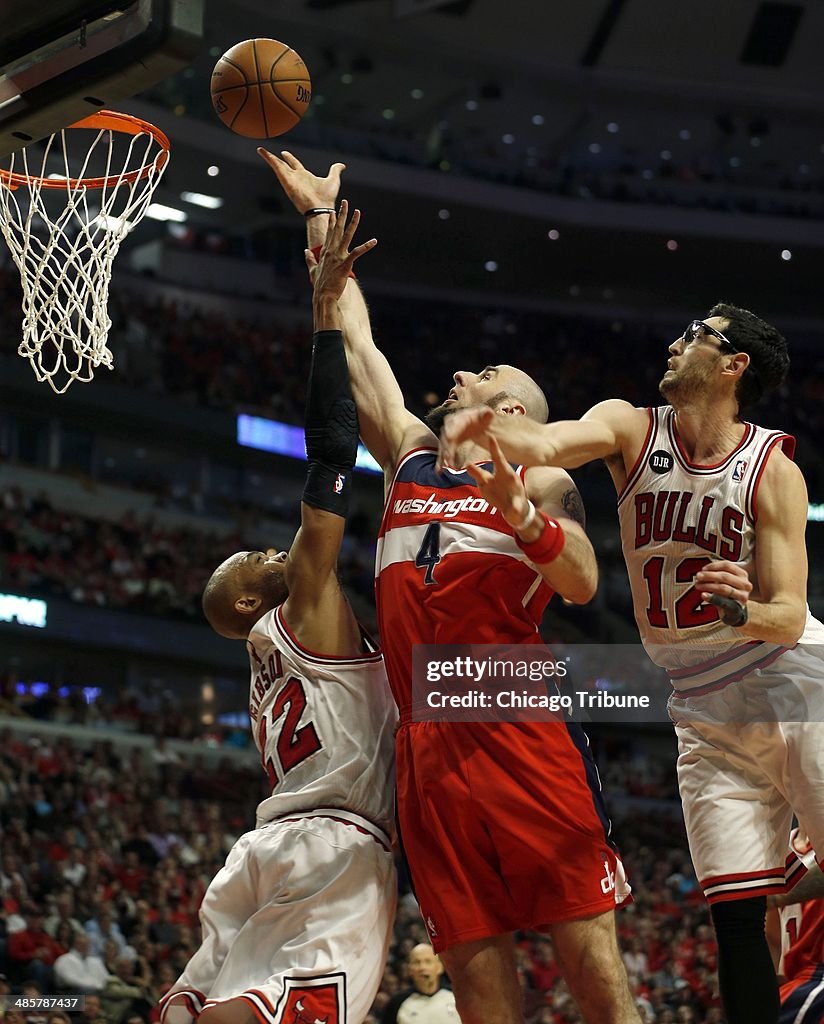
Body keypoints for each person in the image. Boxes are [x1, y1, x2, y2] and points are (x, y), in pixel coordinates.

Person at [262, 149, 640, 1024]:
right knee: (475, 981)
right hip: (426, 747)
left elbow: (581, 581)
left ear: (514, 413)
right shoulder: (409, 455)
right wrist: (320, 219)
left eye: (482, 377)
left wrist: (521, 512)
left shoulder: (541, 482)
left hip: (516, 722)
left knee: (592, 969)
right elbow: (354, 340)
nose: (460, 379)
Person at [438, 306, 824, 1024]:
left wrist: (742, 612)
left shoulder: (774, 469)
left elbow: (791, 614)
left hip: (791, 678)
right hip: (700, 704)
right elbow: (547, 440)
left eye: (696, 336)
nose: (675, 344)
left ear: (734, 365)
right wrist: (485, 426)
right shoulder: (629, 425)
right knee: (738, 914)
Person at [158, 208, 397, 1024]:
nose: (273, 553)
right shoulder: (305, 604)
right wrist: (326, 315)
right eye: (259, 563)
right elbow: (332, 454)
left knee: (207, 1004)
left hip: (265, 849)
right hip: (330, 846)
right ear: (256, 599)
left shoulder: (266, 656)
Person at [766, 830, 824, 1024]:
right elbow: (772, 938)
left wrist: (771, 897)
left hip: (816, 976)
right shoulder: (776, 845)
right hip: (793, 981)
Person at [381, 944, 458, 1024]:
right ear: (410, 970)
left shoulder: (455, 997)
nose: (422, 967)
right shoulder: (397, 1003)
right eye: (417, 962)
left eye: (428, 961)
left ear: (439, 967)